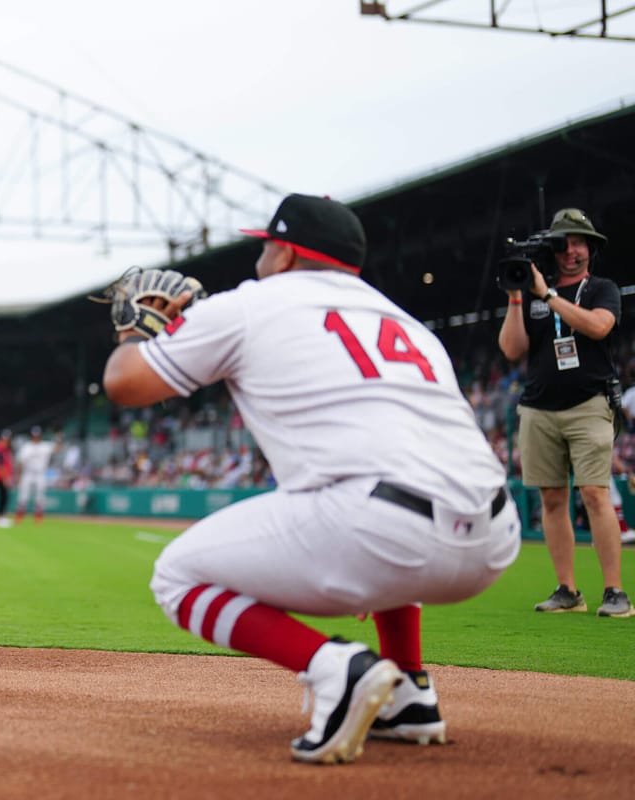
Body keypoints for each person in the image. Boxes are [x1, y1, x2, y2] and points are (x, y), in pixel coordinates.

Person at [102, 194, 521, 765]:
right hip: (494, 539)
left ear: (288, 254)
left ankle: (335, 669)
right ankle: (411, 693)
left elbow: (125, 385)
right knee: (388, 494)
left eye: (268, 244)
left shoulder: (250, 304)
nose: (262, 255)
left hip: (380, 527)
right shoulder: (404, 322)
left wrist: (136, 328)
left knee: (175, 575)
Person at [497, 207, 633, 618]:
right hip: (539, 406)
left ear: (590, 248)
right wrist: (518, 296)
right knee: (552, 498)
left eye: (578, 243)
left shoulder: (601, 288)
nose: (570, 251)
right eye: (563, 244)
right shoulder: (537, 295)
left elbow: (598, 327)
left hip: (589, 402)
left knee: (593, 492)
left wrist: (550, 296)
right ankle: (567, 590)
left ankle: (615, 592)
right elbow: (512, 349)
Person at [14, 426, 57, 523]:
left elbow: (57, 449)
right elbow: (20, 462)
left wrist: (58, 437)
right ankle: (20, 515)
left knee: (40, 496)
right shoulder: (27, 446)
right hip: (28, 473)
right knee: (23, 495)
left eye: (38, 435)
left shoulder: (45, 446)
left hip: (40, 473)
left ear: (40, 436)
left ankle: (38, 516)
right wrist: (19, 475)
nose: (36, 437)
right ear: (31, 436)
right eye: (34, 435)